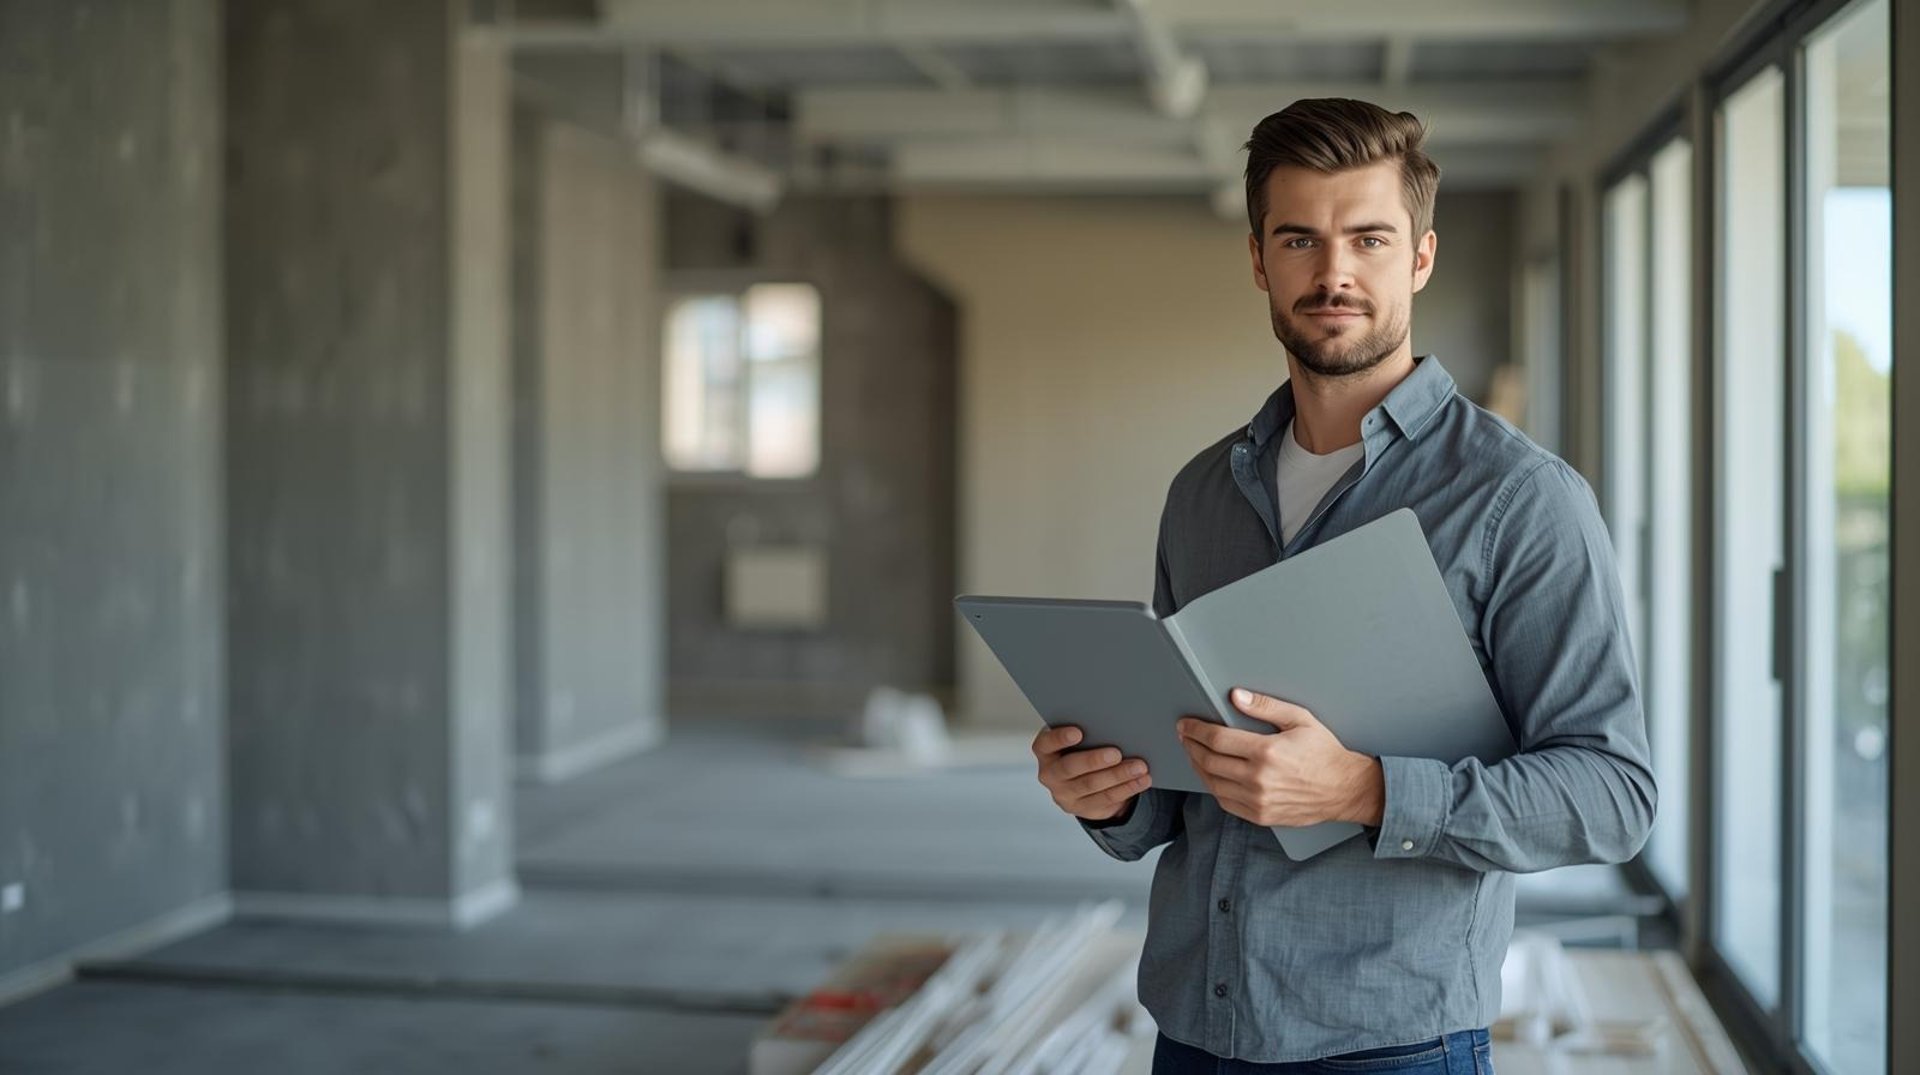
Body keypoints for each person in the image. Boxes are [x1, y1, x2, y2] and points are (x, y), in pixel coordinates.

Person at [1029, 98, 1656, 1074]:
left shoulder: (1521, 499)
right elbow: (1172, 803)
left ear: (1420, 256)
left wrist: (1366, 789)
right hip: (1194, 1032)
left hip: (1392, 1044)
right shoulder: (1202, 492)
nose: (1333, 272)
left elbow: (1614, 794)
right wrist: (1105, 795)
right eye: (1299, 239)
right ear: (1258, 259)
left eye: (1368, 238)